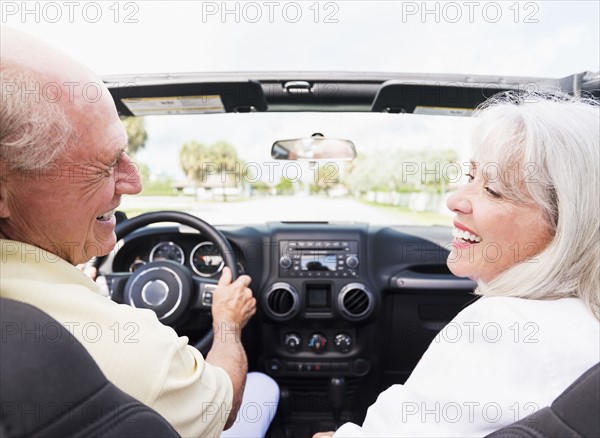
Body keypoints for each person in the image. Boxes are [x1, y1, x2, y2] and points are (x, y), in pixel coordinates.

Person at [0, 28, 278, 438]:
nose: (135, 183)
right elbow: (225, 403)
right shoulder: (137, 352)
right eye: (104, 166)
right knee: (263, 387)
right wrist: (227, 322)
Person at [315, 92, 600, 437]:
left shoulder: (504, 327)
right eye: (470, 176)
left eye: (493, 190)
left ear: (568, 223)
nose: (454, 200)